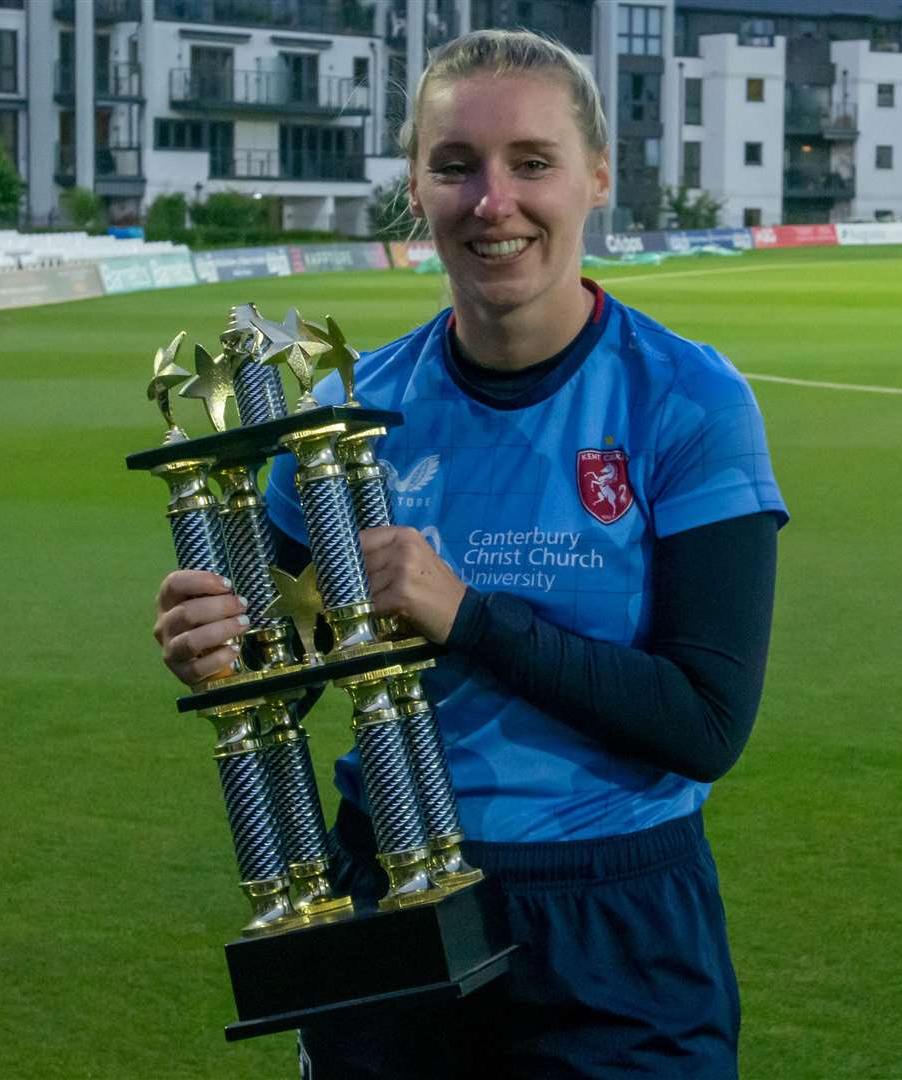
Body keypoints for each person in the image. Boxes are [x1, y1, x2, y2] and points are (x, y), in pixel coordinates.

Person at [153, 29, 787, 1079]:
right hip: (384, 910)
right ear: (416, 187)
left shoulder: (686, 400)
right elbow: (295, 670)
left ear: (596, 177)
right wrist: (221, 650)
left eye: (530, 162)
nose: (493, 202)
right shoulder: (340, 424)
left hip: (614, 925)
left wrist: (468, 615)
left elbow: (705, 723)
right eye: (456, 167)